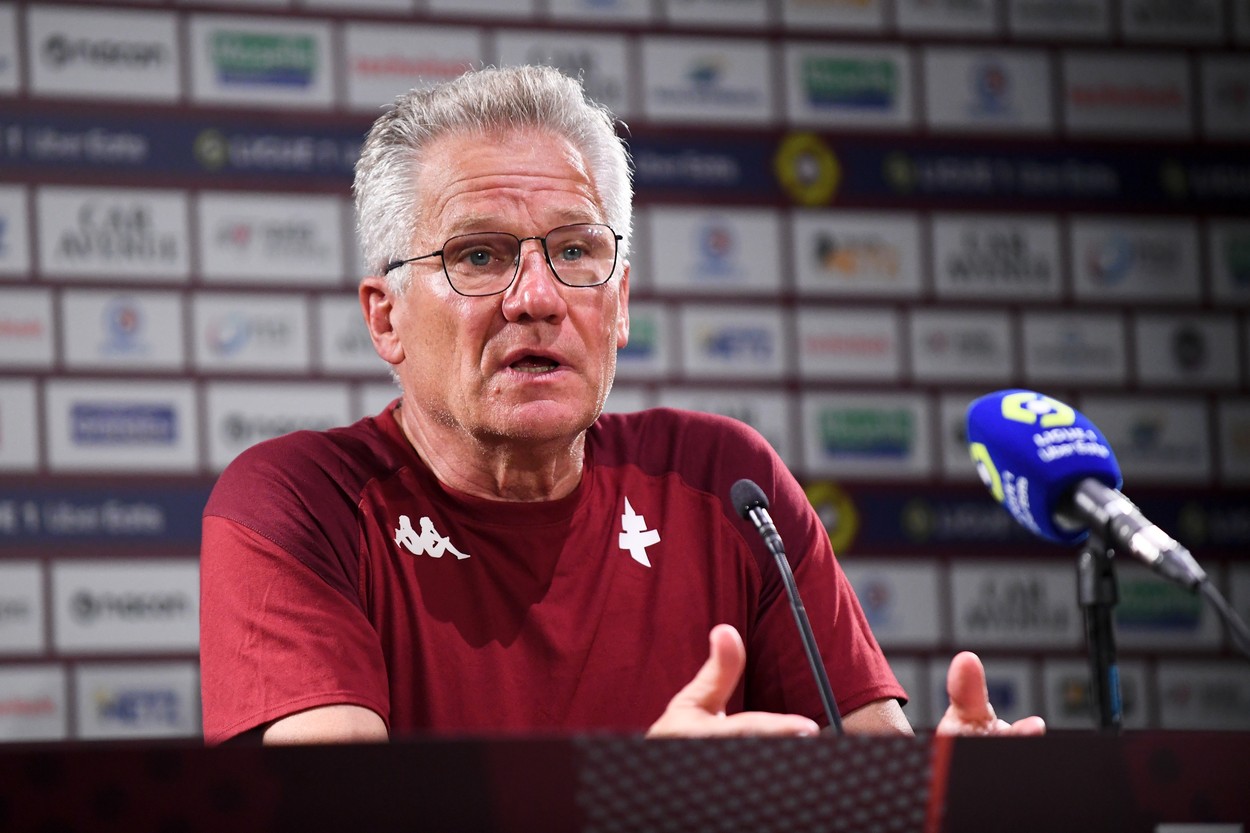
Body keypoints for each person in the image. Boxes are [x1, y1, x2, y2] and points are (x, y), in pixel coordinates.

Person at [199, 65, 1045, 745]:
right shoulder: (298, 505)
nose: (537, 297)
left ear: (622, 301)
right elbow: (338, 813)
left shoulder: (728, 484)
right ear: (386, 318)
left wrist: (947, 794)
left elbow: (874, 773)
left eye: (576, 251)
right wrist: (641, 799)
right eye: (480, 255)